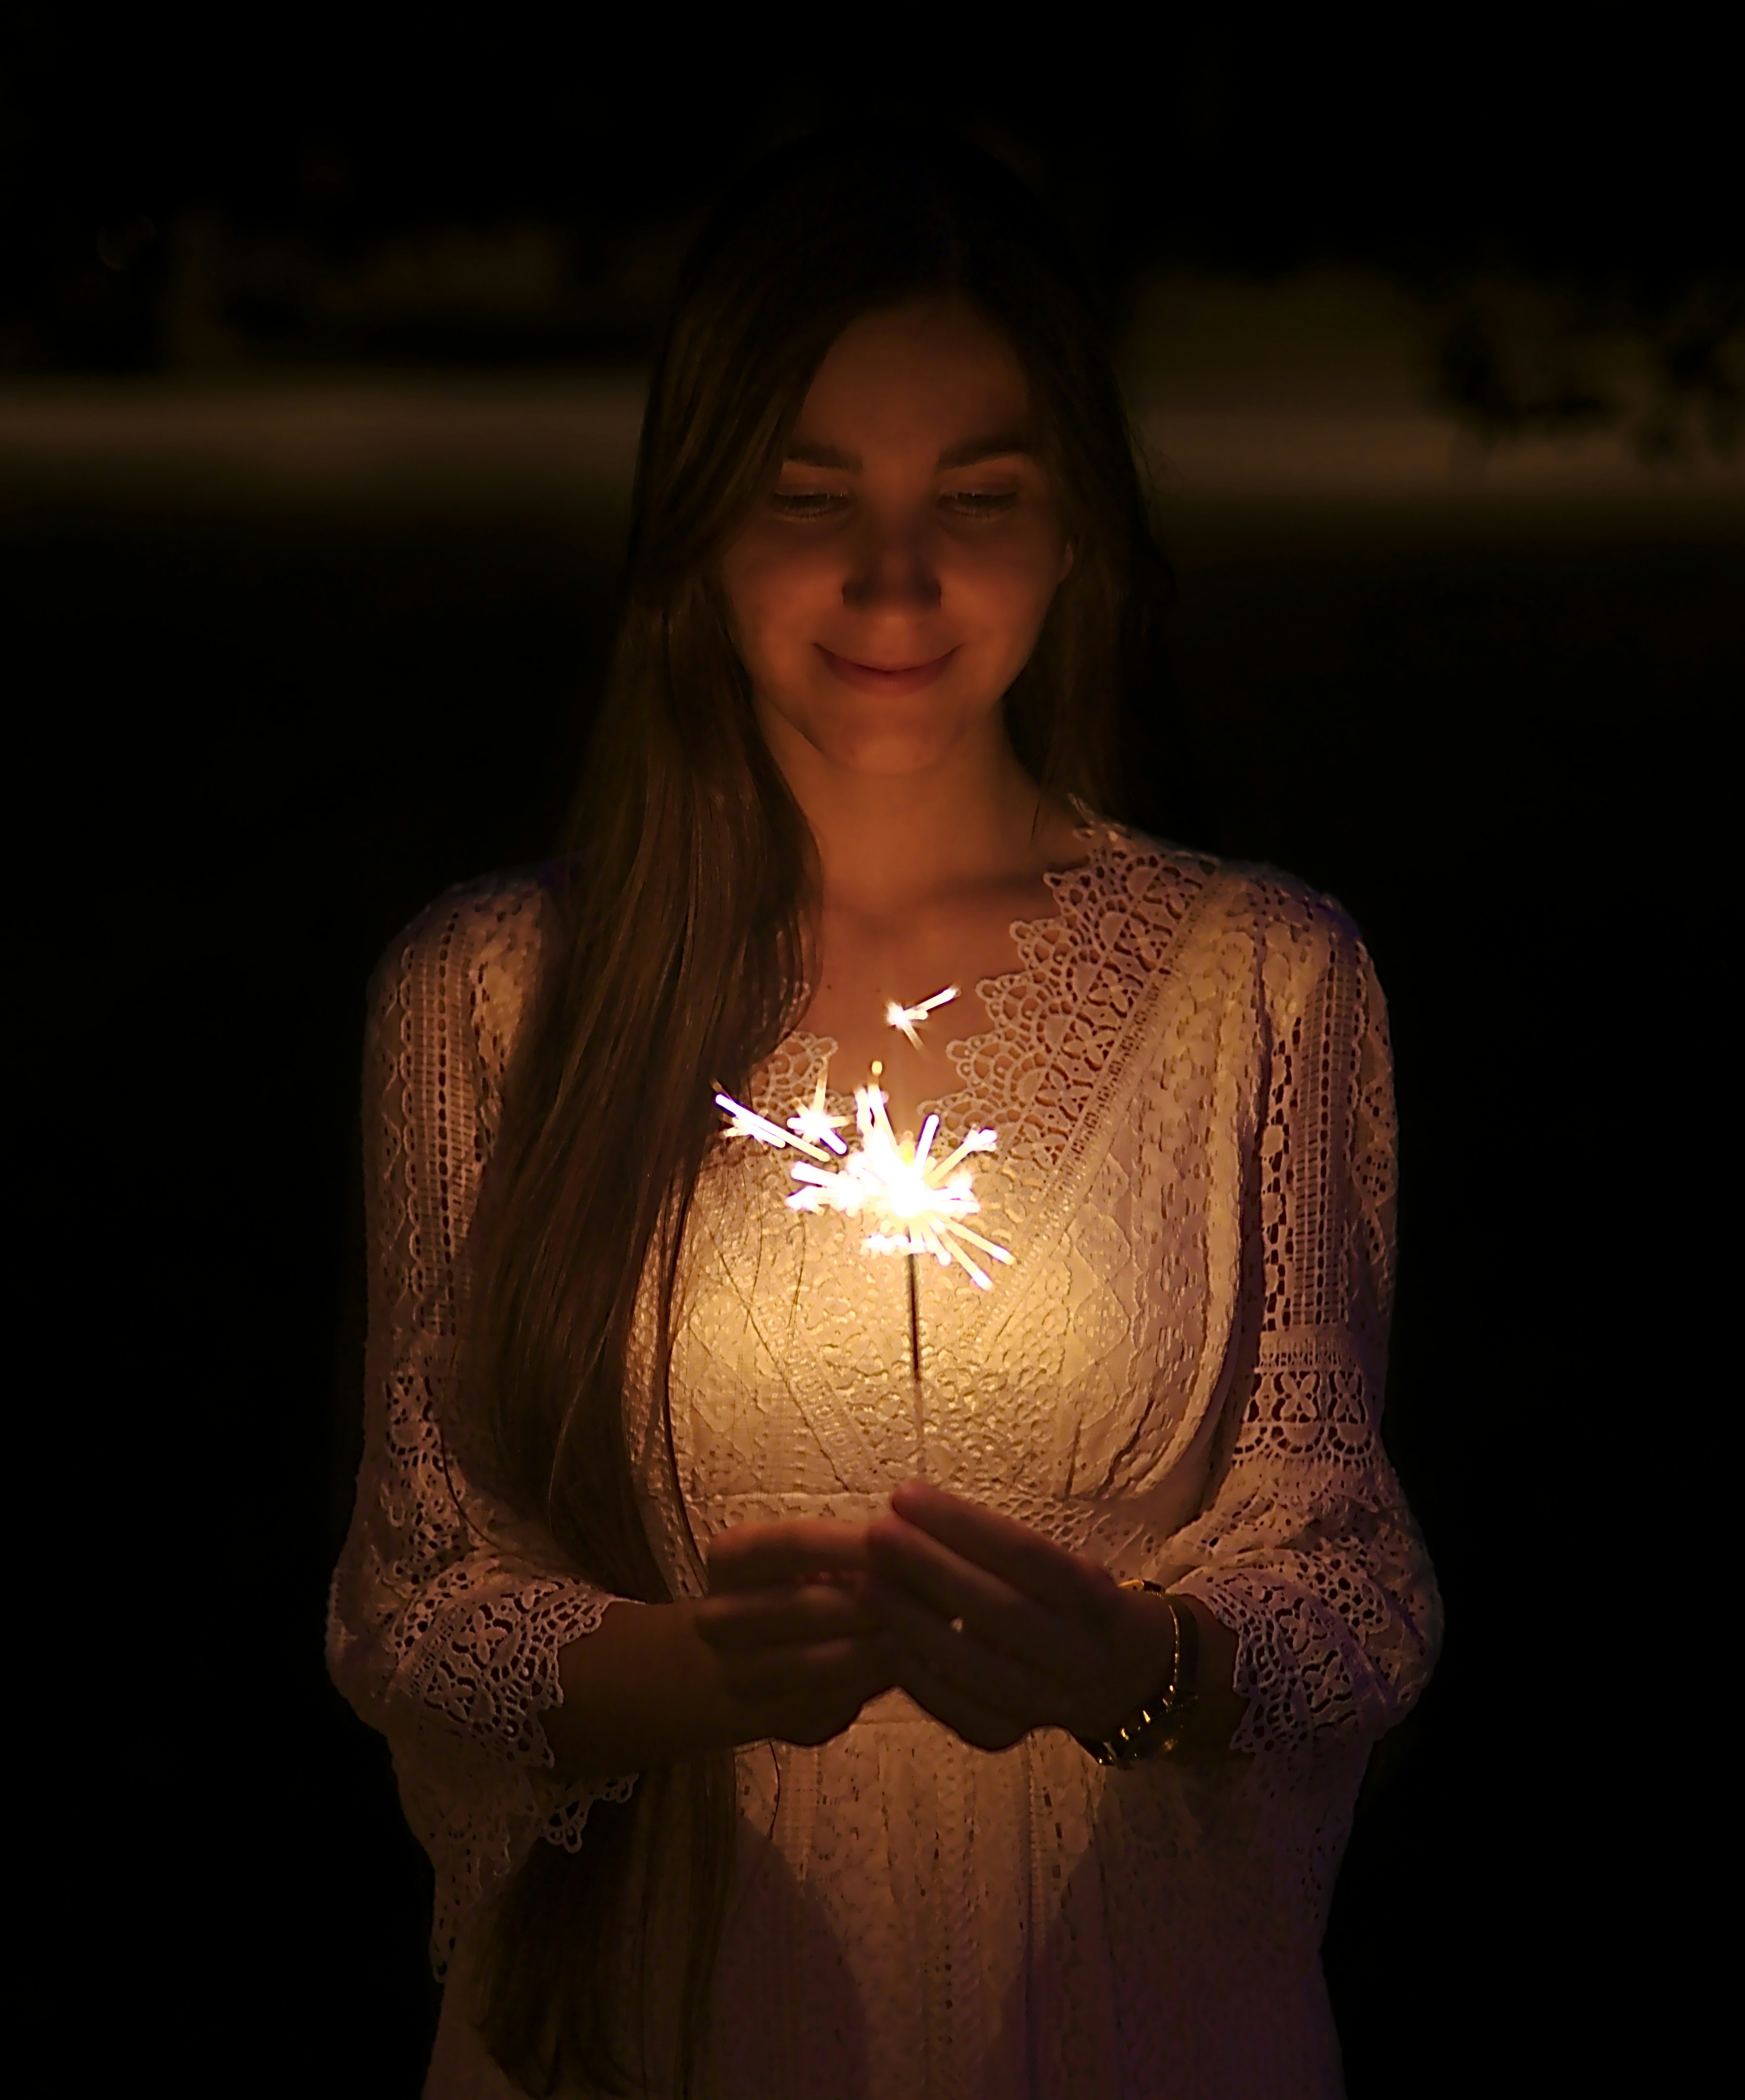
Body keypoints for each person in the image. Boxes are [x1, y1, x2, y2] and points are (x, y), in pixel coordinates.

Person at [328, 126, 1441, 2100]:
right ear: (693, 528)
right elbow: (418, 1601)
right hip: (656, 2011)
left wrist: (1144, 1667)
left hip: (1120, 2009)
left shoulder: (1262, 982)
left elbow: (1347, 1574)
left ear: (1075, 526)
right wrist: (676, 1673)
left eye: (976, 497)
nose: (892, 579)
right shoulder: (495, 1003)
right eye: (807, 494)